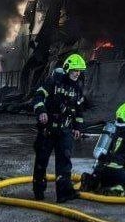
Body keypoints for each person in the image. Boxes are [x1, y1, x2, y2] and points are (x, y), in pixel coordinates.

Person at [32, 53, 87, 203]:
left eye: (79, 70)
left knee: (64, 163)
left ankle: (63, 194)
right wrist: (41, 111)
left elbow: (79, 109)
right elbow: (38, 97)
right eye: (75, 70)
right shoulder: (53, 82)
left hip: (65, 130)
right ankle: (38, 192)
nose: (77, 73)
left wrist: (78, 127)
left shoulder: (77, 88)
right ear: (68, 68)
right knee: (41, 161)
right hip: (47, 130)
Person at [89, 102, 125, 196]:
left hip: (101, 170)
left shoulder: (112, 131)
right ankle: (117, 190)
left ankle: (90, 182)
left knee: (105, 180)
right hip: (116, 171)